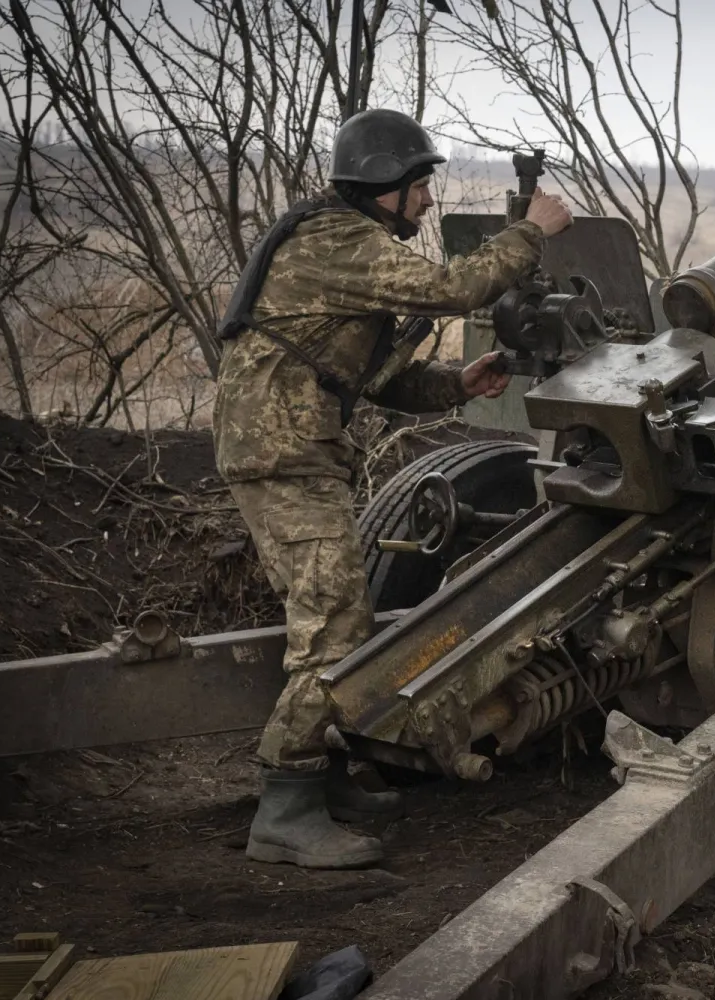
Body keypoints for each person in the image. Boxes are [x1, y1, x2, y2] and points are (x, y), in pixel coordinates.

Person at [213, 108, 572, 870]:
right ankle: (285, 807)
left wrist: (456, 383)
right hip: (281, 456)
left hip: (294, 449)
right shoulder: (338, 240)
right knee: (336, 628)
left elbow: (363, 376)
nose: (428, 203)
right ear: (386, 186)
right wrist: (530, 231)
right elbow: (451, 288)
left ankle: (326, 779)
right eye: (421, 188)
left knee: (337, 617)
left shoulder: (343, 245)